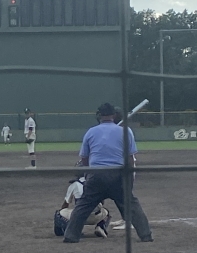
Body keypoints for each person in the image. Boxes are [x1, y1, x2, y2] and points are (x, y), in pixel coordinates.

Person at [63, 103, 153, 243]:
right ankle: (146, 235)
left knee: (82, 206)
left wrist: (88, 173)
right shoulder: (125, 131)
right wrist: (129, 178)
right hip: (118, 175)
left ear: (99, 115)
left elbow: (84, 158)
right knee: (132, 205)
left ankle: (70, 236)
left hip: (96, 175)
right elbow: (130, 159)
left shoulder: (91, 132)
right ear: (114, 115)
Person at [53, 168, 126, 238]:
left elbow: (65, 204)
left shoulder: (74, 184)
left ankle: (73, 230)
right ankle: (101, 226)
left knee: (59, 213)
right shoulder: (96, 182)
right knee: (106, 212)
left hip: (79, 216)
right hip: (96, 216)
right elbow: (102, 202)